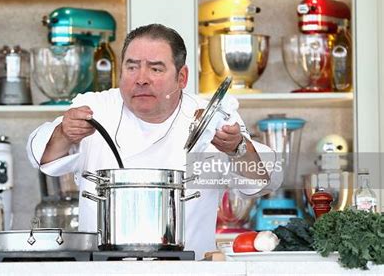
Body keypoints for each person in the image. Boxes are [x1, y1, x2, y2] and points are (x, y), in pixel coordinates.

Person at [27, 23, 280, 259]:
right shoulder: (97, 108)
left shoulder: (209, 118)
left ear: (182, 77)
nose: (141, 78)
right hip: (102, 270)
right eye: (132, 66)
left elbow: (264, 181)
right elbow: (40, 156)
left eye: (156, 68)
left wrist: (237, 148)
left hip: (187, 272)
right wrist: (64, 132)